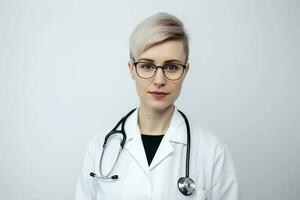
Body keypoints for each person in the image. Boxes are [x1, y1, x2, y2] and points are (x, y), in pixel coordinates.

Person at [75, 12, 240, 200]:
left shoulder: (212, 151)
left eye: (171, 67)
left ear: (185, 71)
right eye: (147, 66)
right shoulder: (99, 147)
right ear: (131, 69)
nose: (159, 80)